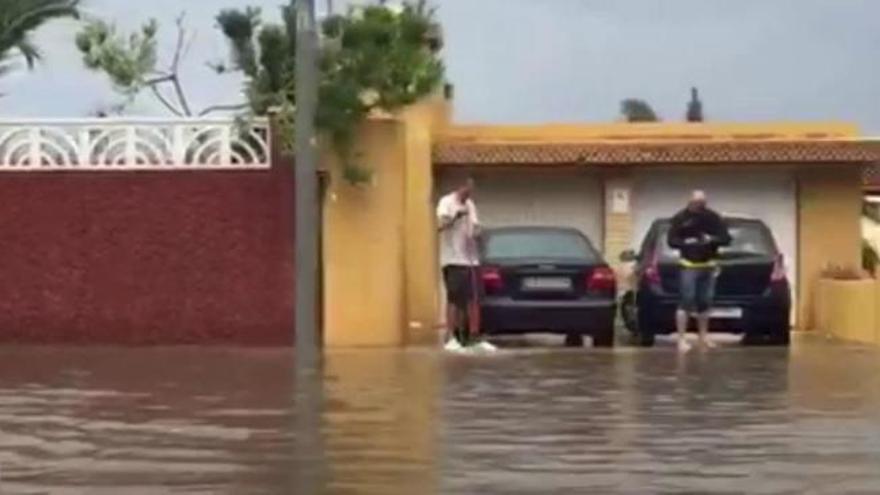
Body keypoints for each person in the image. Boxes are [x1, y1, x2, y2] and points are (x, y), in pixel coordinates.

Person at [667, 190, 732, 352]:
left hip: (708, 265)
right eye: (696, 203)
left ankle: (703, 336)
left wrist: (712, 240)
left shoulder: (713, 218)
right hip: (688, 265)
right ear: (689, 202)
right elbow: (671, 241)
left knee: (705, 301)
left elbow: (726, 238)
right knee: (686, 300)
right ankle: (681, 339)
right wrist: (687, 243)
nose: (699, 206)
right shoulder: (680, 218)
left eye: (702, 203)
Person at [437, 178, 495, 352]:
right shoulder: (446, 202)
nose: (468, 195)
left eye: (471, 191)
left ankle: (474, 337)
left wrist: (478, 233)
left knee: (474, 299)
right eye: (466, 191)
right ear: (459, 187)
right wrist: (456, 217)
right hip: (452, 259)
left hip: (471, 259)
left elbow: (475, 226)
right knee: (454, 299)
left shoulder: (470, 204)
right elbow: (440, 226)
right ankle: (451, 337)